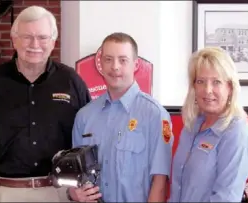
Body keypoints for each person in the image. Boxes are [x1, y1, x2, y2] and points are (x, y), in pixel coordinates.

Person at [0, 6, 91, 202]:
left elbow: (87, 133)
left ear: (53, 41)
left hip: (56, 192)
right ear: (14, 39)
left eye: (43, 37)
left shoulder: (71, 82)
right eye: (27, 37)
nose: (35, 44)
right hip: (2, 192)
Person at [68, 32, 174, 202]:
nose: (115, 67)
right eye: (108, 59)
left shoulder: (155, 115)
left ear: (136, 64)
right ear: (101, 64)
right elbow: (75, 176)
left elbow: (160, 183)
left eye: (123, 60)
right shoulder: (84, 116)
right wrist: (74, 193)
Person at [169, 47, 248, 202]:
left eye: (216, 82)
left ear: (229, 87)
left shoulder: (236, 133)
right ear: (194, 86)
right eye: (201, 81)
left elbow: (226, 198)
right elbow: (177, 189)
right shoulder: (191, 126)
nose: (207, 90)